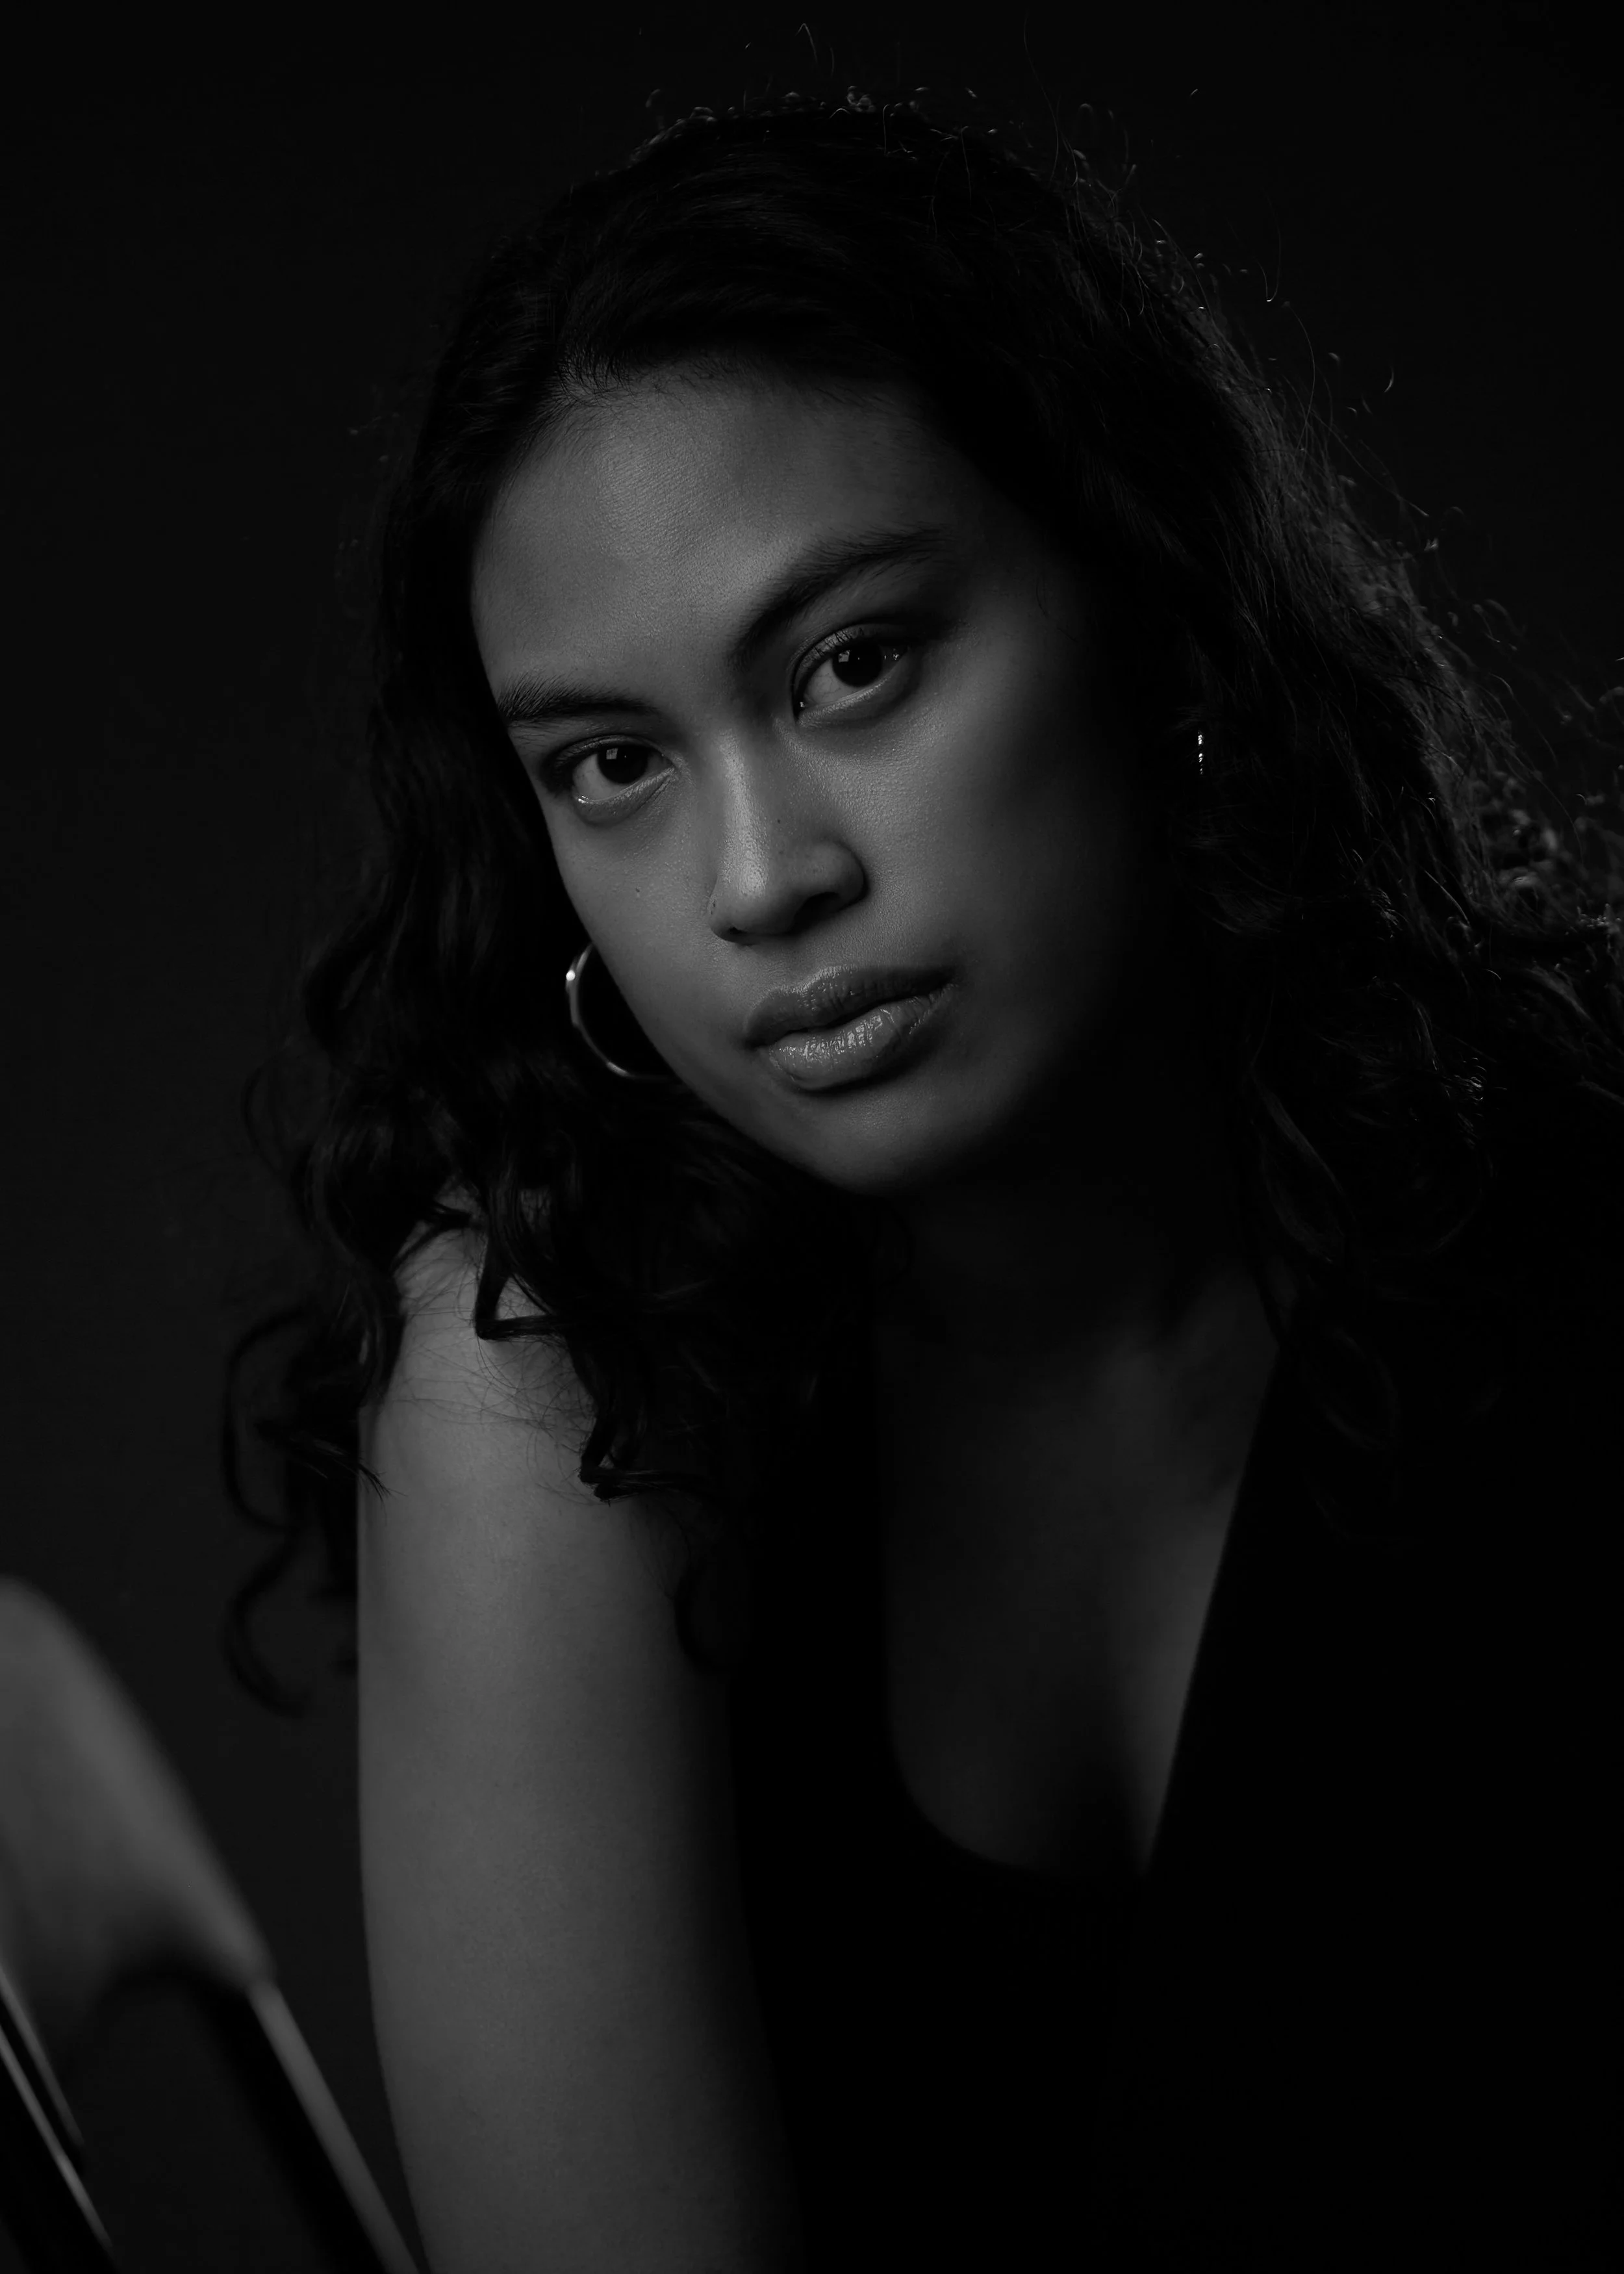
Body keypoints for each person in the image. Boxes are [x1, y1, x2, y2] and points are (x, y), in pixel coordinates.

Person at [227, 94, 1623, 2272]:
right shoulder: (541, 1369)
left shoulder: (1560, 1208)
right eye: (615, 764)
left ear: (1152, 607)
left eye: (852, 664)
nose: (765, 879)